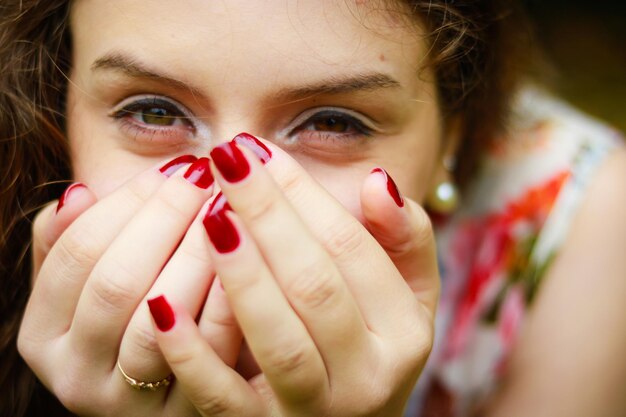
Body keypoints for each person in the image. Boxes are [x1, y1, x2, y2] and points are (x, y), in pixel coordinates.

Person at [1, 1, 624, 416]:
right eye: (155, 112)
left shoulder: (585, 230)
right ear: (58, 108)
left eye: (333, 122)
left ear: (451, 143)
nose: (236, 202)